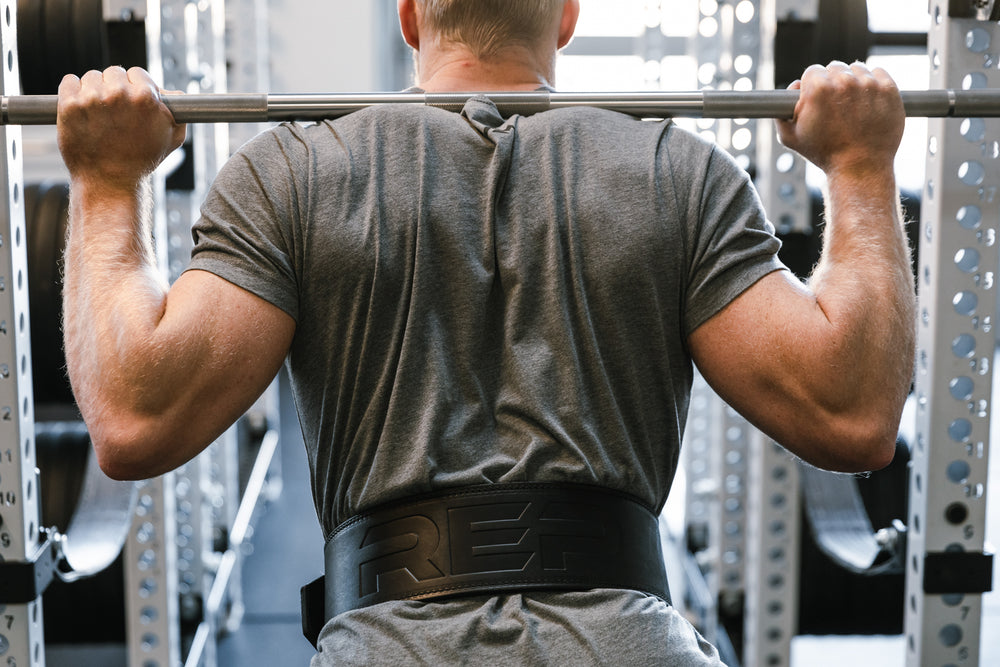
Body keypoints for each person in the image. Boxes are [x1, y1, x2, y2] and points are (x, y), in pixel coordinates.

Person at [55, 0, 915, 664]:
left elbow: (135, 419)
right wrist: (860, 165)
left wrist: (104, 180)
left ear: (409, 14)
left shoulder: (296, 173)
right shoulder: (677, 174)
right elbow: (851, 413)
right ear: (568, 16)